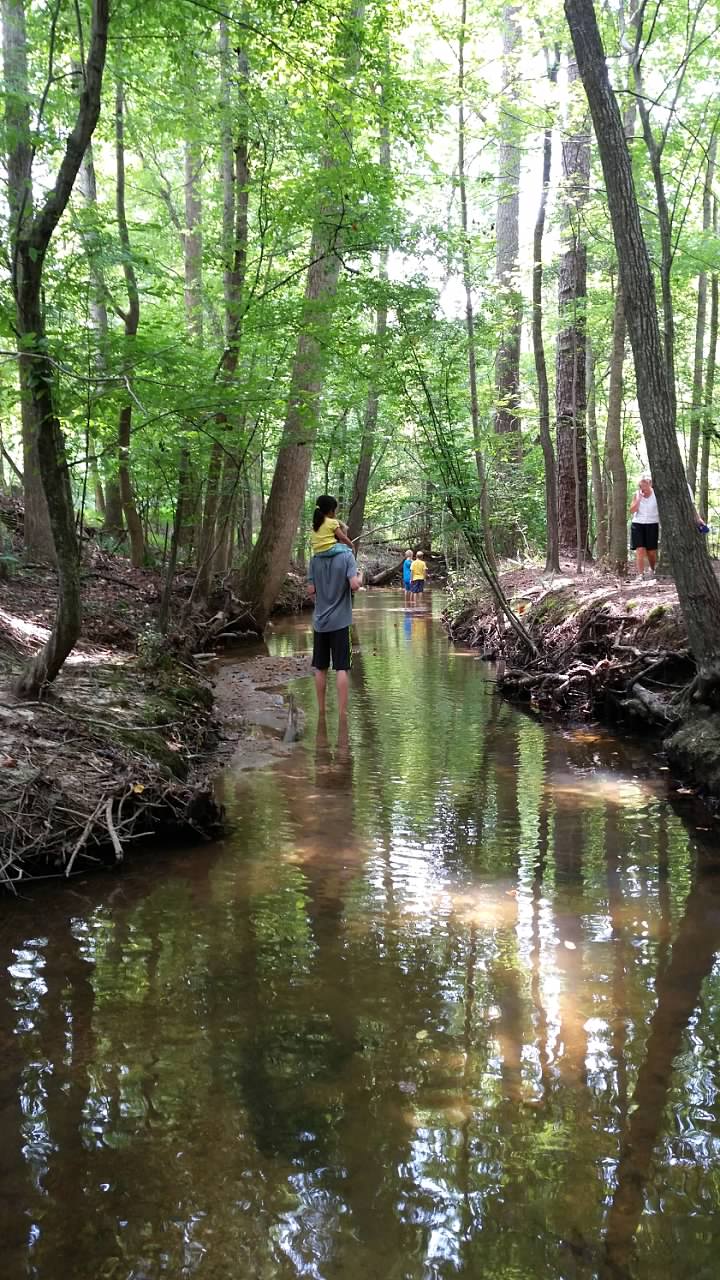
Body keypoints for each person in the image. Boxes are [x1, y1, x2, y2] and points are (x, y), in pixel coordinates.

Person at [307, 539, 362, 717]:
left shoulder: (315, 559)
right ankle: (342, 714)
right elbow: (354, 585)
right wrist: (361, 576)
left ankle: (321, 711)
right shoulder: (347, 556)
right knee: (342, 667)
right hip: (341, 622)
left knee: (320, 667)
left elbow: (310, 590)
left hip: (320, 622)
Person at [629, 476, 659, 578]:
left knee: (651, 552)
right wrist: (639, 500)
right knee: (640, 550)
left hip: (652, 523)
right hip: (638, 524)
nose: (644, 489)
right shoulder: (637, 494)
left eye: (645, 486)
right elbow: (632, 510)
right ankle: (640, 575)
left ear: (650, 485)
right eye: (641, 487)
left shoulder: (656, 494)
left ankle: (653, 570)